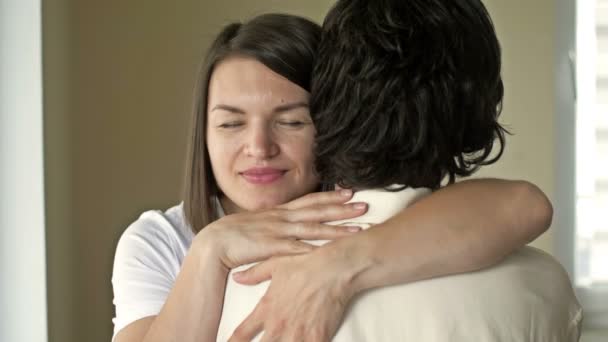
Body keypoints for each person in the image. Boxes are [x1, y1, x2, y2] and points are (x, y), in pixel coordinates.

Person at [111, 13, 553, 342]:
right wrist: (211, 249)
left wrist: (335, 268)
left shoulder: (365, 210)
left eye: (291, 121)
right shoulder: (161, 239)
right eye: (231, 124)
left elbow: (524, 206)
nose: (259, 147)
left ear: (332, 120)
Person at [220, 1, 582, 341]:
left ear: (325, 103)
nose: (259, 147)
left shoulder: (245, 285)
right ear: (476, 107)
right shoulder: (544, 287)